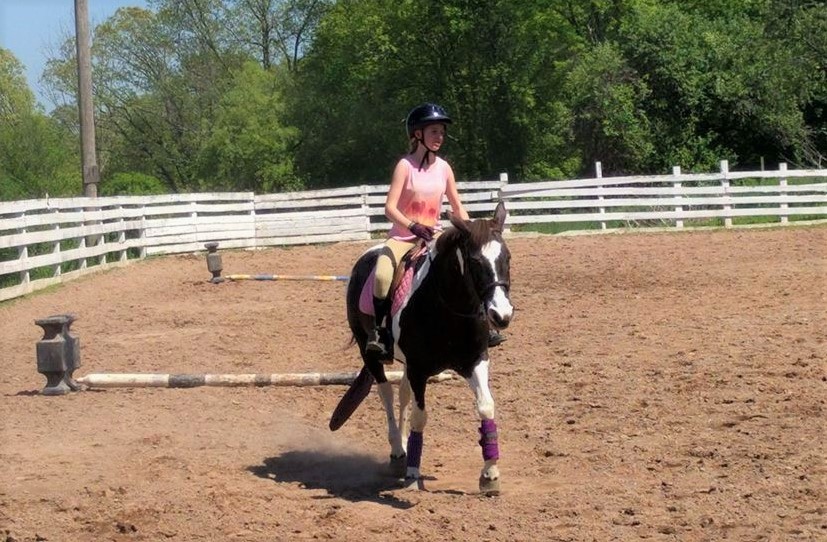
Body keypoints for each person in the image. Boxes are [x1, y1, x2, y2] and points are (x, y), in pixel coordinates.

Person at [367, 103, 504, 359]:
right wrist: (412, 225)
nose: (439, 137)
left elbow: (457, 206)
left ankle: (484, 325)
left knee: (469, 267)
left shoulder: (444, 168)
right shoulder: (405, 166)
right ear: (418, 134)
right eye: (434, 132)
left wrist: (473, 231)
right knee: (383, 275)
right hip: (404, 236)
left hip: (436, 235)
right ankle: (380, 332)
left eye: (441, 132)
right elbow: (389, 208)